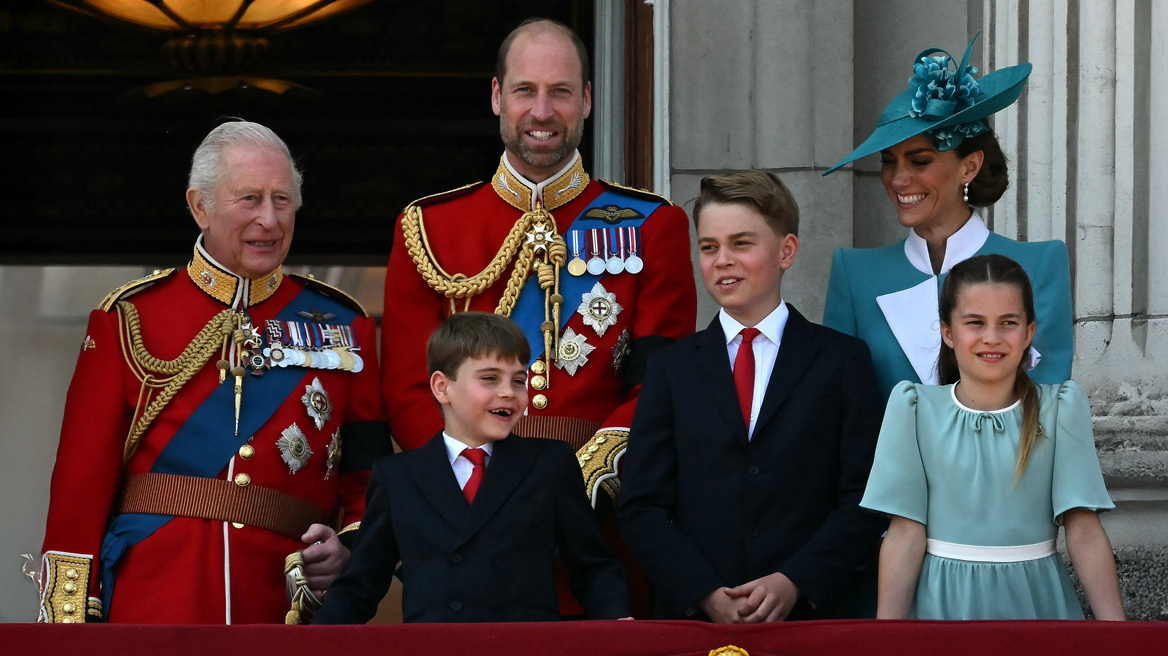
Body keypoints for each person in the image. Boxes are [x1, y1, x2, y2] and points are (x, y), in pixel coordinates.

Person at [38, 121, 390, 624]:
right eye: (249, 198)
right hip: (153, 603)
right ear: (199, 206)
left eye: (282, 201)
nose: (269, 220)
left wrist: (349, 551)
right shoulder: (130, 319)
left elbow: (366, 484)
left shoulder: (345, 326)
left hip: (280, 610)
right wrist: (70, 624)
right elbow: (80, 488)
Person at [380, 18, 697, 511]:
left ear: (588, 99)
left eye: (561, 92)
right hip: (467, 514)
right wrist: (466, 485)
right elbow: (410, 390)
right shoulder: (428, 228)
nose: (542, 111)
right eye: (525, 90)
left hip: (598, 515)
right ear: (496, 97)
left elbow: (658, 385)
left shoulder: (654, 225)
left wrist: (581, 483)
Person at [618, 171, 888, 622]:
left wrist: (795, 580)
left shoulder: (842, 361)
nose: (723, 260)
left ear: (787, 251)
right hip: (695, 623)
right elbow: (641, 505)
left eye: (741, 244)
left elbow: (865, 497)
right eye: (709, 247)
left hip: (811, 622)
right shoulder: (671, 367)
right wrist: (701, 591)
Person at [313, 312, 629, 623]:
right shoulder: (398, 477)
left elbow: (592, 566)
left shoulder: (551, 463)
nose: (508, 392)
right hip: (438, 650)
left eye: (519, 380)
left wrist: (618, 624)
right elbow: (360, 586)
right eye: (490, 378)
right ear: (442, 387)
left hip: (526, 649)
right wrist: (313, 645)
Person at [861, 254, 1124, 620]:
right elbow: (905, 532)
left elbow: (1083, 529)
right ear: (948, 332)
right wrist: (886, 638)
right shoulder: (915, 409)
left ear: (1029, 332)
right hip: (942, 604)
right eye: (975, 323)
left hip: (1037, 602)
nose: (992, 338)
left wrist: (1117, 633)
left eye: (1008, 323)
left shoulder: (1060, 407)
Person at [822, 33, 1073, 400]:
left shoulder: (1039, 264)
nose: (898, 179)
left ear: (969, 166)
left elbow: (1048, 404)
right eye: (888, 162)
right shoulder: (854, 273)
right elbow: (840, 407)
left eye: (920, 161)